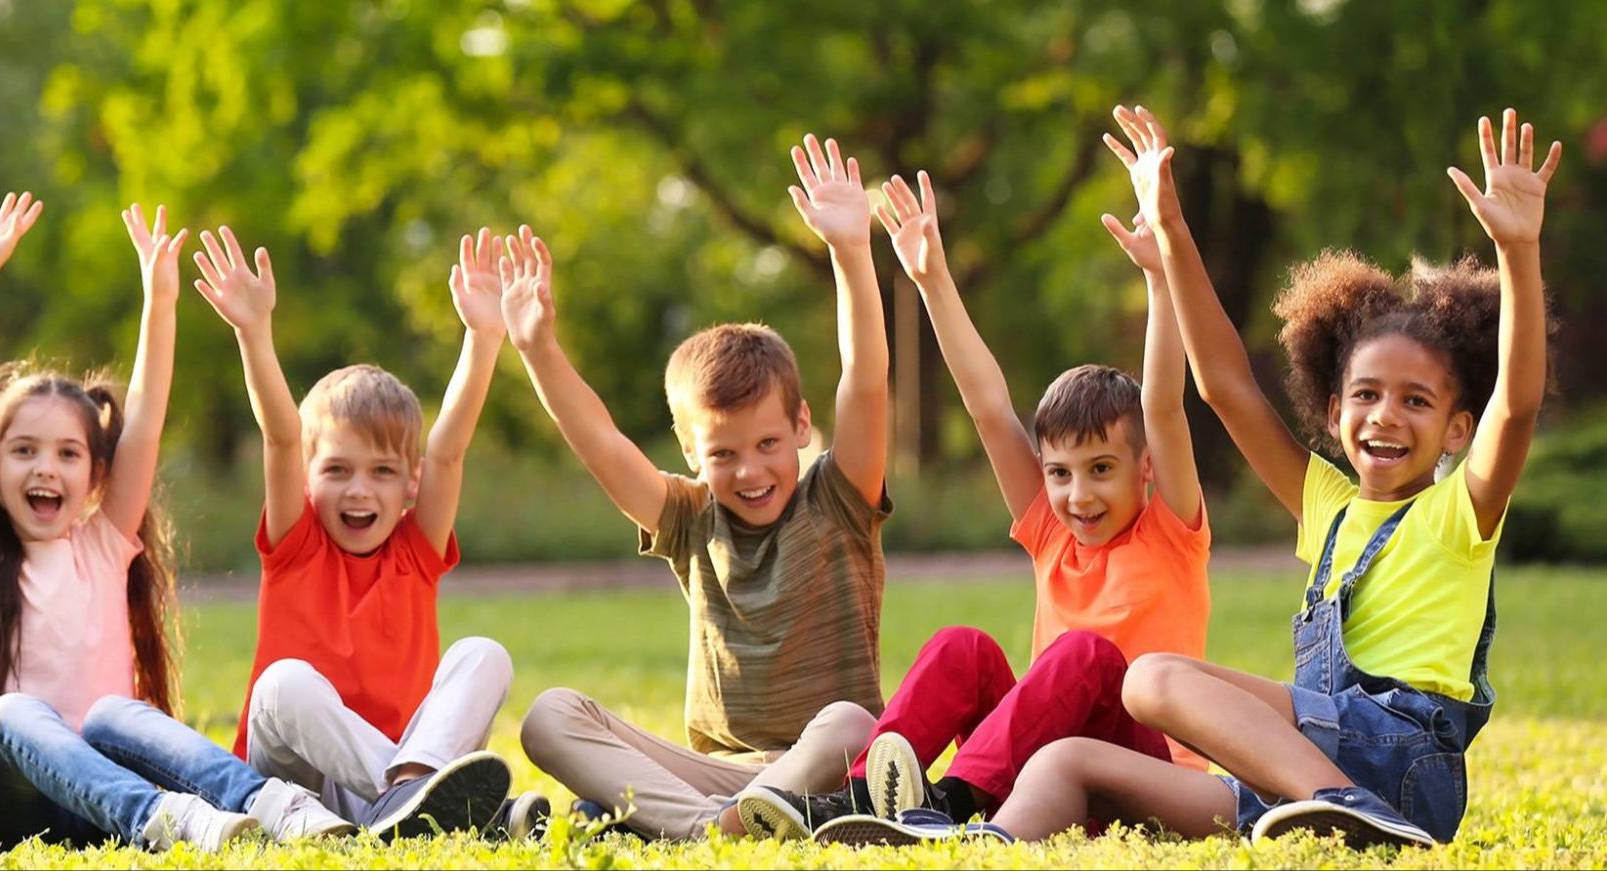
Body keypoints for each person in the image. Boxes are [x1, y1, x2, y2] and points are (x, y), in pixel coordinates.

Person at [939, 105, 1558, 849]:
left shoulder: (1463, 511)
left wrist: (1519, 252)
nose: (1385, 416)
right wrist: (1170, 227)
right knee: (1068, 760)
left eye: (1416, 401)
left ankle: (1347, 804)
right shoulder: (1326, 503)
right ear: (1333, 411)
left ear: (1459, 428)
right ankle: (981, 843)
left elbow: (1517, 406)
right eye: (1365, 395)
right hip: (1296, 769)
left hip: (1399, 766)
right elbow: (1227, 386)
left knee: (1152, 678)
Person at [739, 158, 1213, 845]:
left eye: (1101, 469)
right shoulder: (1054, 532)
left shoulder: (1170, 531)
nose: (1077, 495)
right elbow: (990, 408)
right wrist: (931, 278)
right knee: (962, 648)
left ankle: (954, 799)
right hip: (1043, 762)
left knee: (1086, 655)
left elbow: (1164, 408)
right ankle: (856, 798)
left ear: (1144, 468)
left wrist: (1160, 281)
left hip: (1145, 773)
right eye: (1060, 472)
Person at [80, 225, 520, 842]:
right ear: (309, 482)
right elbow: (282, 434)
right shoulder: (298, 543)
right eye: (337, 470)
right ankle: (432, 802)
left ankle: (410, 793)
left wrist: (483, 338)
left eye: (382, 473)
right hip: (292, 776)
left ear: (411, 486)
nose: (360, 490)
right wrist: (253, 333)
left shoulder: (415, 553)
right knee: (285, 681)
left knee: (484, 656)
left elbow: (448, 451)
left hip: (389, 762)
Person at [509, 133, 891, 841]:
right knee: (550, 715)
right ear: (690, 450)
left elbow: (865, 380)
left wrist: (851, 252)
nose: (750, 470)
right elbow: (601, 445)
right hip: (712, 774)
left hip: (825, 768)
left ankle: (682, 822)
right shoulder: (690, 518)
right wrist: (538, 348)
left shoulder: (837, 498)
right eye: (723, 452)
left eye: (768, 444)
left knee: (853, 722)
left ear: (802, 425)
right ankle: (711, 826)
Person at [0, 198, 256, 852]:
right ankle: (166, 818)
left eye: (67, 453)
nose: (45, 467)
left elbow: (148, 418)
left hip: (103, 810)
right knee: (12, 715)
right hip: (7, 808)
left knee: (121, 717)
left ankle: (253, 802)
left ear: (97, 476)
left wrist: (160, 301)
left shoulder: (102, 548)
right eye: (23, 450)